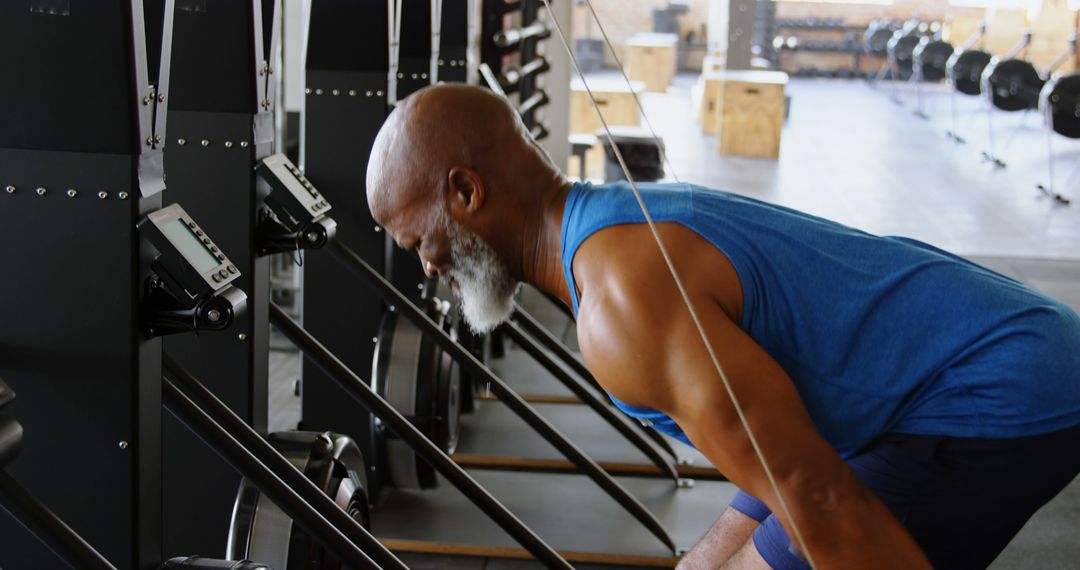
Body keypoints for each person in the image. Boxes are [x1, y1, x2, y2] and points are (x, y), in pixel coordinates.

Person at [364, 83, 1080, 569]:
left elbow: (816, 492)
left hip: (992, 387)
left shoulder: (620, 306)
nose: (427, 267)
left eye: (415, 241)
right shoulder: (609, 223)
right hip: (927, 374)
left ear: (465, 191)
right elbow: (776, 446)